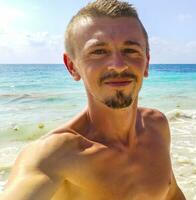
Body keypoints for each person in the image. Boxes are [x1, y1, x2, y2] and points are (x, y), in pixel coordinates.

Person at [0, 0, 186, 199]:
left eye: (130, 50)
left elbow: (171, 193)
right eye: (98, 52)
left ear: (146, 62)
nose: (118, 65)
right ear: (72, 66)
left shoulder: (156, 126)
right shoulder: (54, 157)